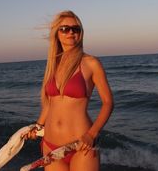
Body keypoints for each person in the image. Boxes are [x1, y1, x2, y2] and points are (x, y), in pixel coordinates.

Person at [26, 10, 114, 171]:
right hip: (50, 144)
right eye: (65, 28)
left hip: (80, 145)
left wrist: (92, 134)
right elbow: (50, 104)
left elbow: (108, 103)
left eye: (76, 28)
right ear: (56, 34)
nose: (71, 32)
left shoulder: (91, 63)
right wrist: (37, 127)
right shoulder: (53, 64)